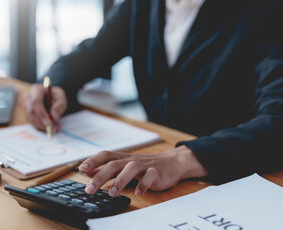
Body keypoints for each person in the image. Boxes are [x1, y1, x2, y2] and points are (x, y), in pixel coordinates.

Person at [24, 0, 283, 197]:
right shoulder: (143, 4)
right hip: (158, 169)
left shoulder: (266, 10)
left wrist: (182, 159)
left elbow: (277, 121)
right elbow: (90, 53)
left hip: (238, 175)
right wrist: (52, 85)